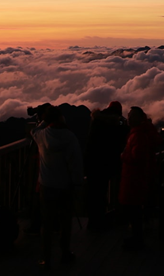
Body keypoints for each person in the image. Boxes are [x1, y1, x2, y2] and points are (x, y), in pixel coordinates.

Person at [32, 106, 84, 267]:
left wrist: (43, 122)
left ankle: (45, 257)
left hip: (47, 186)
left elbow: (33, 131)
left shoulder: (42, 135)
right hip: (65, 186)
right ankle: (65, 253)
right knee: (65, 221)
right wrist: (77, 183)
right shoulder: (70, 137)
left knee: (46, 224)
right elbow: (75, 164)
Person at [119, 106, 160, 250]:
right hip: (136, 177)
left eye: (132, 116)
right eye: (129, 115)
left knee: (134, 210)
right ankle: (137, 238)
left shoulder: (138, 135)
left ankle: (137, 239)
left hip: (134, 177)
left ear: (139, 118)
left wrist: (124, 156)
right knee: (136, 209)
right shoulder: (140, 133)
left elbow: (138, 157)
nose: (128, 118)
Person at [85, 101, 129, 232]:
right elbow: (121, 140)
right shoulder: (115, 124)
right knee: (102, 193)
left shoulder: (96, 121)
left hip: (92, 162)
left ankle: (93, 222)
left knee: (94, 194)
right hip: (106, 164)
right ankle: (102, 221)